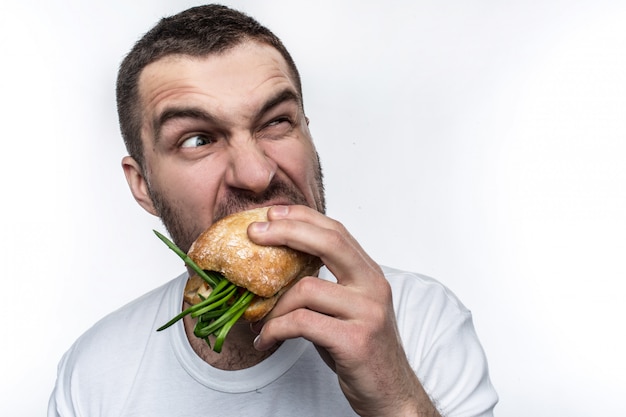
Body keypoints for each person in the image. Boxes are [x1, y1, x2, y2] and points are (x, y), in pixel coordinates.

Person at [48, 4, 497, 416]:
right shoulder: (94, 375)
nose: (257, 173)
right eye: (198, 140)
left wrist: (398, 400)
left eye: (277, 122)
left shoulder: (422, 322)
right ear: (142, 185)